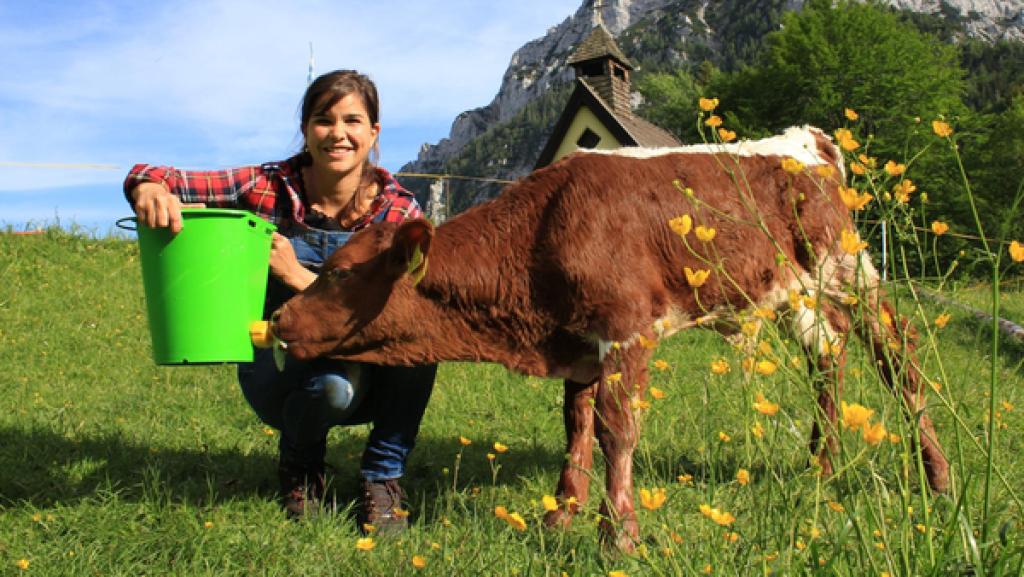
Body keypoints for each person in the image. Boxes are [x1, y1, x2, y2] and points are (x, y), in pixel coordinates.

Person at [124, 69, 437, 533]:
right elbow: (156, 175)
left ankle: (382, 479)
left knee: (420, 341)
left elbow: (399, 311)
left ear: (373, 132)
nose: (338, 134)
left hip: (367, 361)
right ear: (307, 129)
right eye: (323, 120)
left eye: (352, 121)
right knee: (333, 388)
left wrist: (296, 274)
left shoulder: (398, 210)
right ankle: (301, 465)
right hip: (281, 363)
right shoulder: (268, 186)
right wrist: (147, 188)